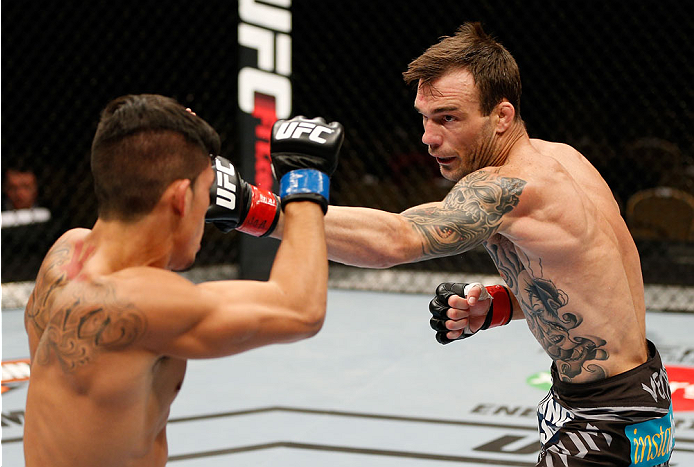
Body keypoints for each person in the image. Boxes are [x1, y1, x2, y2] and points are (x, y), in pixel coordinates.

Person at [211, 23, 674, 465]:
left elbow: (395, 240)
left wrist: (252, 208)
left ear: (502, 117)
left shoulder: (509, 188)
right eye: (426, 119)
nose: (429, 138)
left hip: (607, 420)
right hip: (634, 395)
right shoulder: (562, 158)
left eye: (448, 118)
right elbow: (591, 279)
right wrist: (499, 306)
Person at [22, 94, 343, 467]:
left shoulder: (66, 255)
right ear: (180, 198)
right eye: (206, 193)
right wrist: (305, 179)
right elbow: (299, 309)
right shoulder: (137, 301)